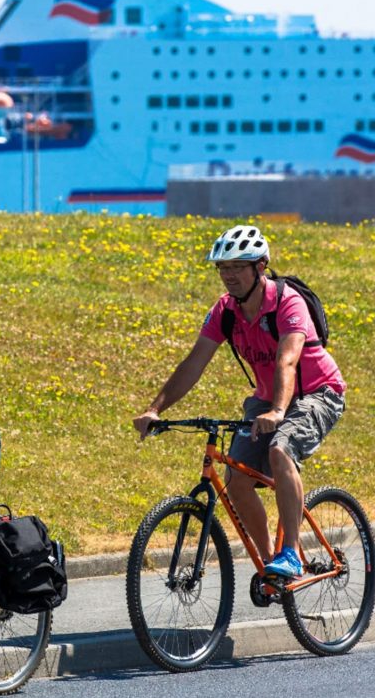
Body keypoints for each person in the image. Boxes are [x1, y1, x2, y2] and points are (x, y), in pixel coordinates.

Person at [133, 225, 345, 580]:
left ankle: (290, 552)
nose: (228, 275)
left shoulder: (288, 302)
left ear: (260, 266)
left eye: (237, 267)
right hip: (267, 399)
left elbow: (287, 360)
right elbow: (193, 363)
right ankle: (270, 566)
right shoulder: (225, 311)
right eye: (222, 268)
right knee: (235, 476)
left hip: (317, 392)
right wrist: (156, 408)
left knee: (280, 451)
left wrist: (279, 411)